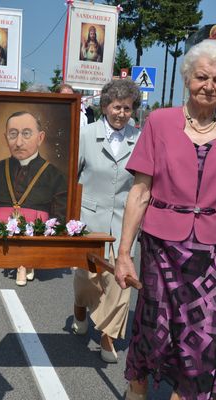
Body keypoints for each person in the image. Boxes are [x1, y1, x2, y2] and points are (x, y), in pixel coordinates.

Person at [114, 39, 216, 400]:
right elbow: (140, 191)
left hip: (215, 251)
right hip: (161, 243)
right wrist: (124, 252)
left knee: (204, 336)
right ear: (186, 78)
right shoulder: (159, 122)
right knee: (153, 325)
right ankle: (139, 386)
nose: (209, 86)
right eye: (201, 77)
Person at [71, 78, 141, 363]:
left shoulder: (140, 137)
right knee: (87, 278)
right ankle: (80, 305)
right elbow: (71, 176)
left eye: (127, 108)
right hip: (88, 220)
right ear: (104, 107)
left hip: (124, 221)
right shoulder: (85, 135)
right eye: (116, 107)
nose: (121, 113)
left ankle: (108, 336)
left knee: (120, 281)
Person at [0, 111, 67, 286]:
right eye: (13, 135)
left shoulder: (57, 177)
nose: (18, 142)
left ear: (40, 138)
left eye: (26, 134)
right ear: (5, 138)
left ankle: (26, 262)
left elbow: (60, 217)